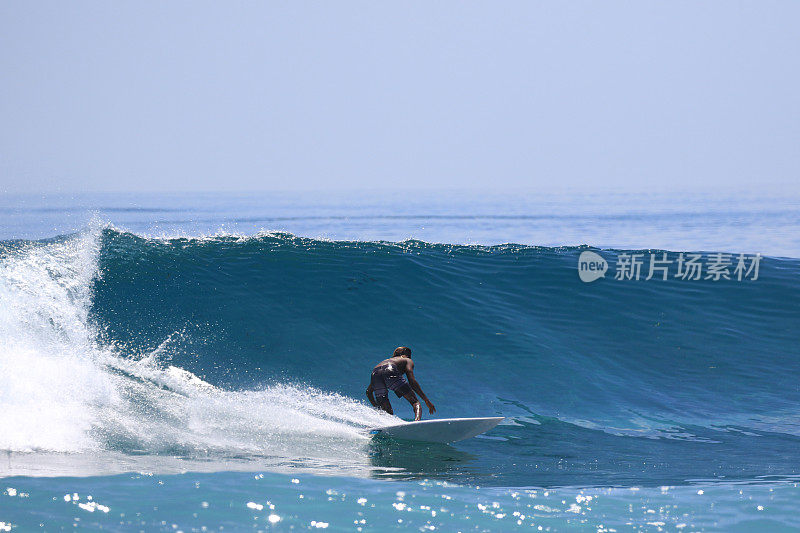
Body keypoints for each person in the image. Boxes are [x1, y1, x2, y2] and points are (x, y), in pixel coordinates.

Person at [366, 346, 436, 421]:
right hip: (390, 369)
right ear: (406, 354)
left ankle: (384, 423)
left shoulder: (385, 362)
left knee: (387, 413)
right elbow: (412, 382)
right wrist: (426, 400)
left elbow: (368, 392)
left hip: (375, 372)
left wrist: (377, 408)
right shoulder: (407, 360)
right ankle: (417, 422)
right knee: (415, 402)